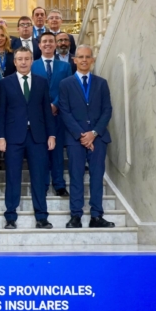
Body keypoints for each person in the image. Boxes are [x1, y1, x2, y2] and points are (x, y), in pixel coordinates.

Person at [0, 47, 56, 229]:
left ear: (32, 61)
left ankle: (42, 217)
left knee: (39, 177)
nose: (23, 62)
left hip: (37, 137)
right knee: (13, 177)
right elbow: (1, 113)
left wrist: (51, 134)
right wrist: (0, 137)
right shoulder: (5, 83)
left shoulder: (41, 82)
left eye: (27, 59)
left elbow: (47, 111)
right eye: (20, 59)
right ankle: (10, 217)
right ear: (14, 62)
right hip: (14, 137)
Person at [59, 45, 114, 228]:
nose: (84, 60)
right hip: (76, 139)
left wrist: (94, 133)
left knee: (97, 177)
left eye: (87, 57)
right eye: (80, 57)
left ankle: (96, 216)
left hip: (98, 138)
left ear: (92, 60)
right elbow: (65, 112)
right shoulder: (65, 84)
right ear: (74, 60)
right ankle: (76, 215)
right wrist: (82, 135)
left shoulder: (101, 83)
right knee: (76, 177)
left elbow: (107, 110)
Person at [31, 32, 72, 196]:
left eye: (51, 41)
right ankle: (43, 183)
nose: (47, 44)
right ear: (39, 45)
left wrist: (55, 104)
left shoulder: (65, 67)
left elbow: (68, 89)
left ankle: (59, 184)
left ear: (55, 45)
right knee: (41, 151)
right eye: (44, 41)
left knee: (56, 151)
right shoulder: (32, 65)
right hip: (38, 116)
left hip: (58, 115)